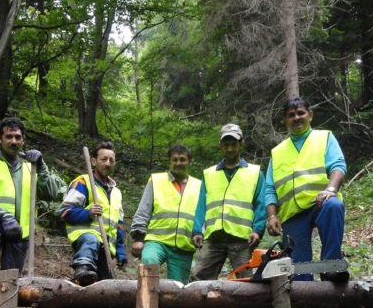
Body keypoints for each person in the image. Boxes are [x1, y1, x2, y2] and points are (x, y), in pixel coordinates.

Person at [265, 97, 348, 283]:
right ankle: (305, 297)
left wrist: (330, 189)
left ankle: (331, 266)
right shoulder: (277, 152)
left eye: (301, 113)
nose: (296, 118)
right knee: (299, 273)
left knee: (333, 205)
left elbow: (338, 165)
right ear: (285, 120)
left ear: (310, 115)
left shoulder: (324, 138)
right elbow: (270, 188)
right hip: (292, 215)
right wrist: (272, 216)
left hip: (320, 203)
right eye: (291, 115)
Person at [0, 117, 61, 278]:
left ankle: (4, 293)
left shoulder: (31, 166)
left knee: (9, 282)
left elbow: (50, 194)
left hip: (19, 233)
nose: (13, 141)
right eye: (9, 137)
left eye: (18, 137)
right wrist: (5, 216)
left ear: (23, 139)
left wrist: (42, 167)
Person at [189, 123, 266, 281]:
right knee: (198, 278)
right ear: (221, 145)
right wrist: (197, 231)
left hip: (243, 238)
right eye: (226, 144)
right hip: (214, 237)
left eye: (233, 144)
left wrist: (258, 230)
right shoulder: (209, 174)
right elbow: (201, 205)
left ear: (241, 144)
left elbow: (260, 204)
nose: (230, 149)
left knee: (250, 281)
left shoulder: (254, 173)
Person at [130, 144, 201, 284]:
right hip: (156, 241)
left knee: (178, 288)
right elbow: (143, 210)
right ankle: (147, 297)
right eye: (175, 160)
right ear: (169, 162)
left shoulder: (199, 185)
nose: (178, 163)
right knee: (149, 262)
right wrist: (138, 237)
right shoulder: (156, 181)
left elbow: (203, 216)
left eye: (182, 159)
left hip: (184, 246)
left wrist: (200, 233)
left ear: (190, 162)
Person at [60, 141, 127, 286]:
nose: (107, 163)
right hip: (87, 240)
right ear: (93, 161)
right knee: (91, 242)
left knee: (106, 288)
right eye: (103, 159)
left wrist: (120, 252)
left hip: (107, 249)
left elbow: (119, 226)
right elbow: (65, 212)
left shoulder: (116, 192)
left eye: (111, 160)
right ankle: (82, 268)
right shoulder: (83, 183)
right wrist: (88, 213)